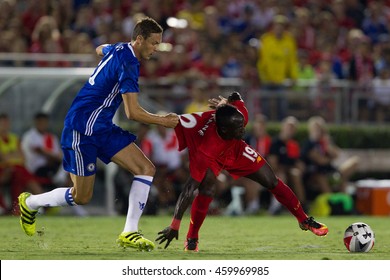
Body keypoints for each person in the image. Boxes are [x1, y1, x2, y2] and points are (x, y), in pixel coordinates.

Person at [17, 17, 179, 252]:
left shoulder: (120, 48)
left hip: (101, 126)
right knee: (82, 197)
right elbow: (132, 112)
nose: (156, 49)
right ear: (140, 39)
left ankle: (129, 232)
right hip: (82, 129)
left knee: (146, 168)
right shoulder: (129, 64)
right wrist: (163, 120)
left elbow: (99, 48)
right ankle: (30, 202)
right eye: (153, 43)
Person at [156, 92, 328, 252]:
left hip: (236, 150)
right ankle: (192, 237)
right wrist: (175, 225)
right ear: (223, 129)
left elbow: (236, 96)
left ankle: (304, 220)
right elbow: (188, 189)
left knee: (272, 181)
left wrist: (227, 102)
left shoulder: (238, 118)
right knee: (207, 188)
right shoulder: (205, 151)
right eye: (238, 128)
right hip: (213, 158)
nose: (244, 129)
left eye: (242, 124)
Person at [301, 116, 359, 195]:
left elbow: (337, 155)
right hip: (315, 174)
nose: (318, 132)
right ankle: (331, 201)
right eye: (316, 129)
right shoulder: (308, 144)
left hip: (330, 171)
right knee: (322, 178)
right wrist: (330, 159)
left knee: (351, 165)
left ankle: (343, 201)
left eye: (320, 129)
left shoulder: (324, 143)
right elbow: (321, 161)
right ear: (311, 130)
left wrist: (327, 144)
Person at [0, 113, 43, 214]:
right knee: (19, 174)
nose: (5, 125)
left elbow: (22, 158)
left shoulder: (14, 138)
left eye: (7, 122)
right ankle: (38, 205)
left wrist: (9, 157)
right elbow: (4, 158)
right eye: (3, 122)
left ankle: (17, 207)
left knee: (20, 173)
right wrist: (13, 156)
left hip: (16, 168)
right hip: (4, 169)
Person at [267, 116, 306, 214]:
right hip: (277, 171)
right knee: (281, 176)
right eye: (289, 127)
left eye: (293, 128)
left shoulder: (293, 144)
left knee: (296, 174)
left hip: (289, 170)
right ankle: (275, 206)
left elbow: (296, 161)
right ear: (283, 127)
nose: (290, 130)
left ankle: (301, 206)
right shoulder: (275, 143)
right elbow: (273, 164)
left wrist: (300, 166)